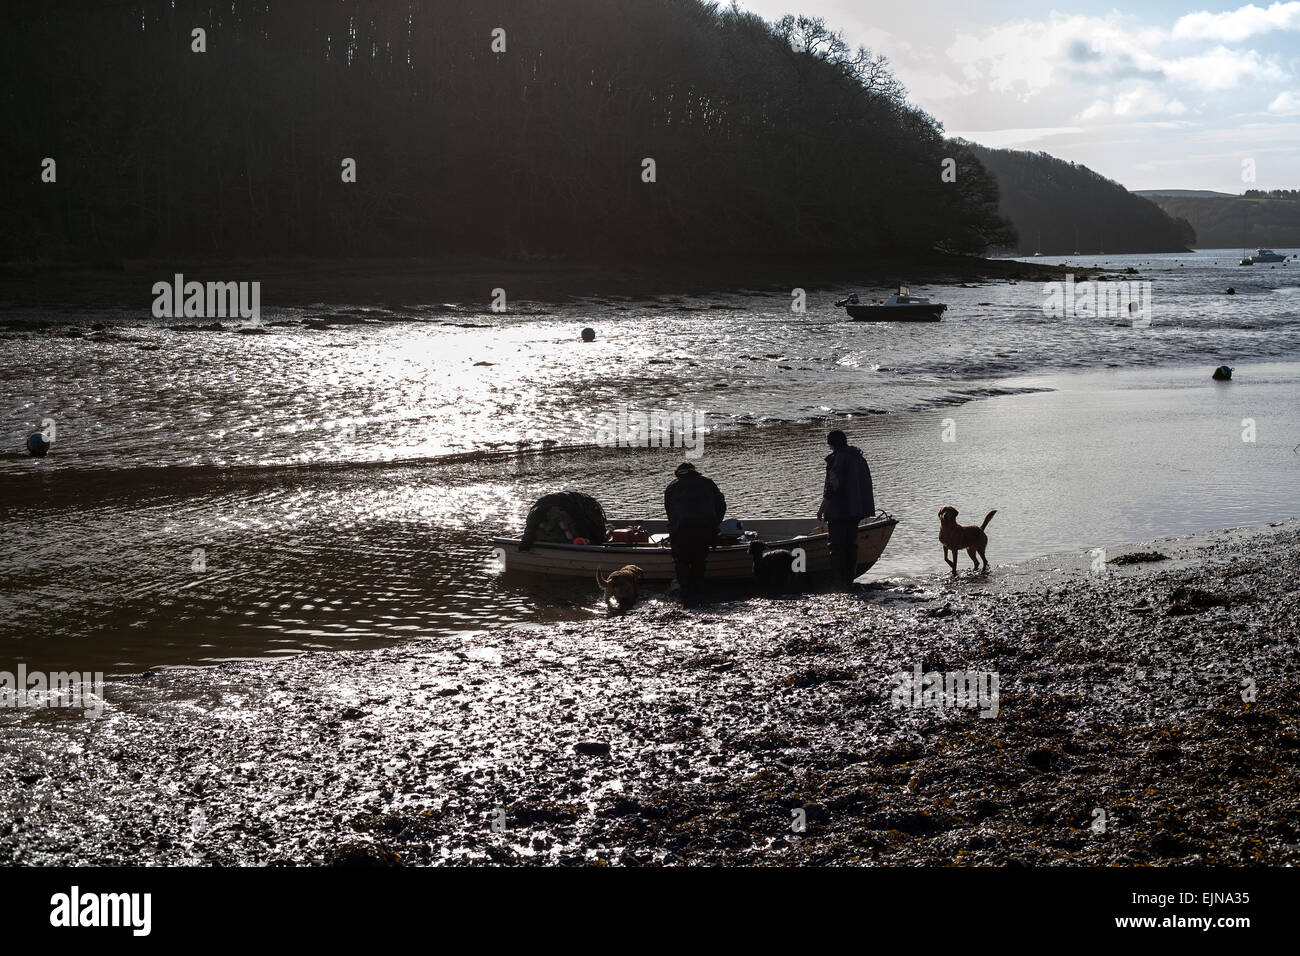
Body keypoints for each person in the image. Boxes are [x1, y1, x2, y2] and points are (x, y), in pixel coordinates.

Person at [817, 430, 875, 592]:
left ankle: (839, 583)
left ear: (831, 443)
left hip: (839, 510)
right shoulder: (858, 457)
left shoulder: (838, 459)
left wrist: (822, 508)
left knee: (836, 547)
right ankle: (849, 580)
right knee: (851, 545)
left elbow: (832, 486)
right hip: (856, 509)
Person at [663, 462, 726, 604]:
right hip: (704, 529)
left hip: (680, 530)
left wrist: (674, 527)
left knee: (681, 561)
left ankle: (685, 591)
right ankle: (698, 589)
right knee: (699, 560)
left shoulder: (672, 487)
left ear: (678, 473)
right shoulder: (708, 483)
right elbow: (721, 505)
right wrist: (714, 524)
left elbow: (669, 511)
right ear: (694, 471)